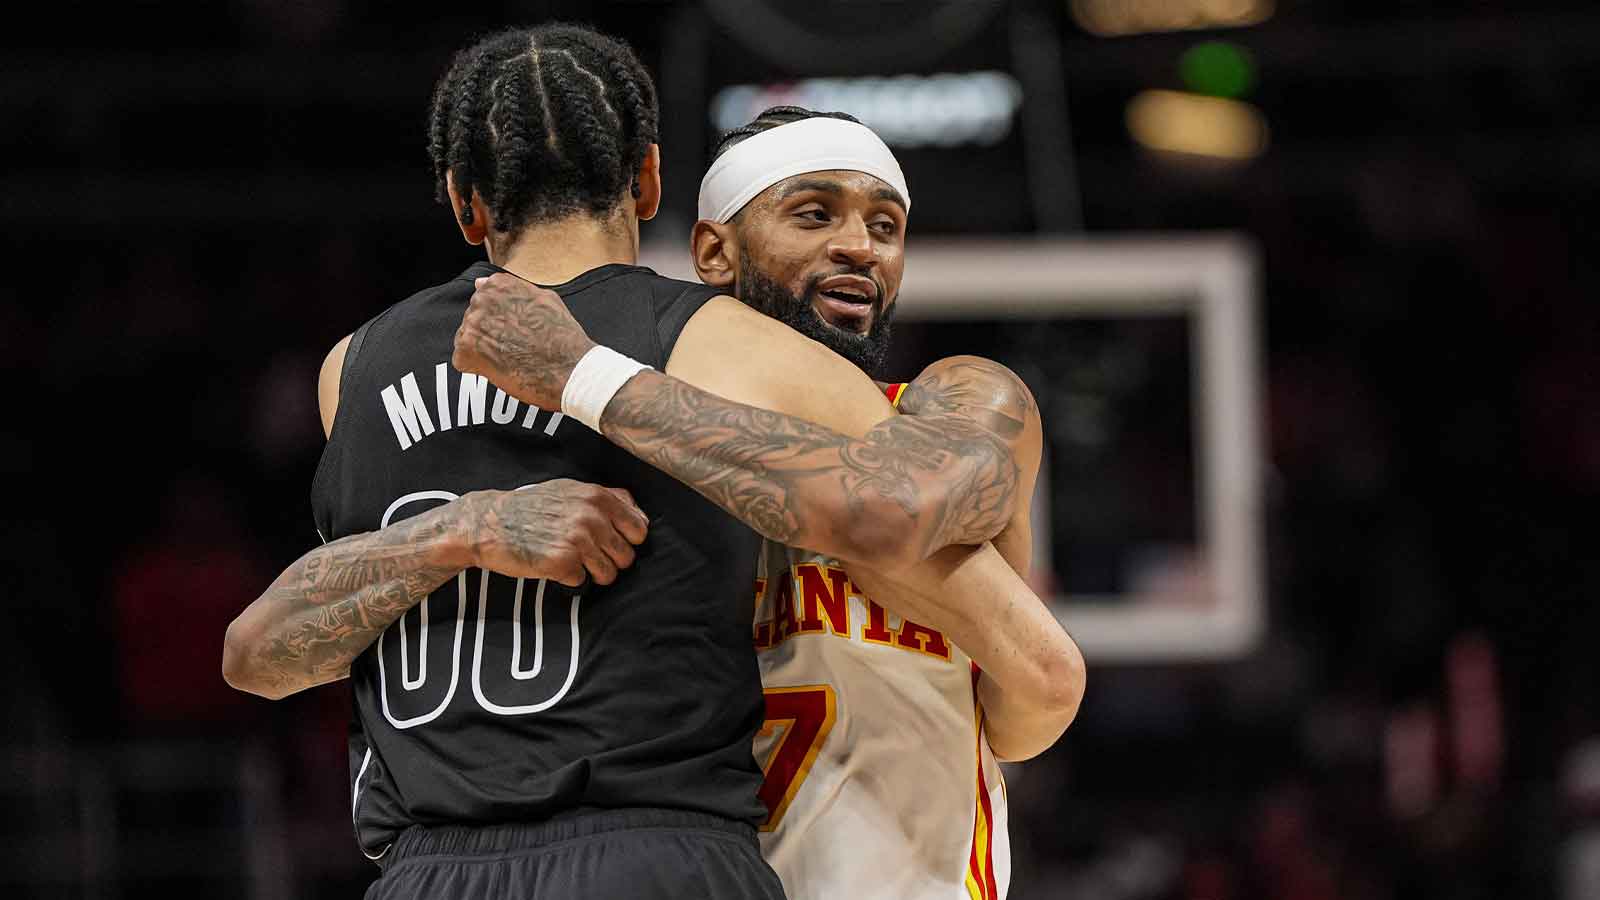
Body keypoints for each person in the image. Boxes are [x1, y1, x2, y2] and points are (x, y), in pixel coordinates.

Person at [223, 24, 1020, 899]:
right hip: (660, 852)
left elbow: (261, 660)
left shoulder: (354, 367)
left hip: (425, 868)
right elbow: (924, 509)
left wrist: (457, 527)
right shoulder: (734, 345)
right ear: (647, 179)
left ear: (464, 202)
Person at [450, 108, 1086, 899]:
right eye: (814, 214)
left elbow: (1027, 704)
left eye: (885, 225)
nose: (860, 245)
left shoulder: (960, 401)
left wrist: (586, 377)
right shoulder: (636, 459)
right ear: (715, 252)